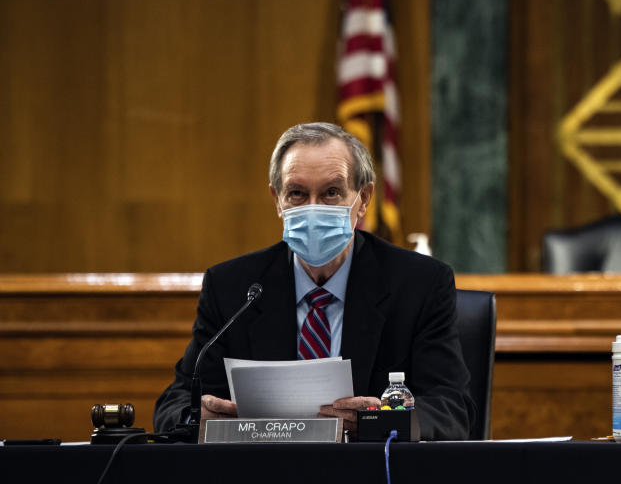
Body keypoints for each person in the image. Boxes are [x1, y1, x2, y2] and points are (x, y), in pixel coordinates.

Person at [154, 122, 475, 440]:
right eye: (297, 193)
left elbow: (452, 410)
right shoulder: (233, 289)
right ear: (277, 200)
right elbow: (175, 404)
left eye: (331, 193)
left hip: (371, 480)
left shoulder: (419, 284)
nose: (313, 209)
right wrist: (199, 418)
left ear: (363, 198)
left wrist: (375, 420)